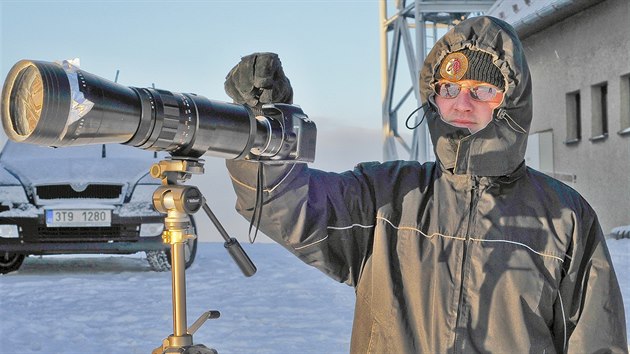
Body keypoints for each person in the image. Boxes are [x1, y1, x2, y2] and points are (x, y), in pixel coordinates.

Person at [223, 16, 628, 353]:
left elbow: (597, 343)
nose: (462, 104)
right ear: (434, 97)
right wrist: (267, 132)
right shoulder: (385, 195)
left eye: (483, 90)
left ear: (512, 98)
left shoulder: (564, 217)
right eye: (450, 89)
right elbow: (287, 208)